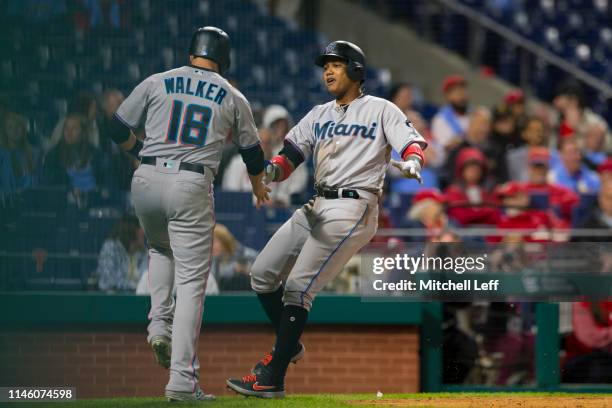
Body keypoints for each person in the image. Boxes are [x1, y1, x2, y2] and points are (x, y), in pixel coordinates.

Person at [225, 40, 426, 398]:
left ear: (356, 70)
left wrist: (412, 162)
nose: (328, 71)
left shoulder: (381, 109)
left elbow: (409, 143)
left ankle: (273, 374)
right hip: (318, 203)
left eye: (336, 64)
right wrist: (269, 172)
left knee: (298, 289)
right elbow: (289, 156)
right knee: (261, 274)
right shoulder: (319, 114)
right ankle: (290, 345)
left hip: (354, 205)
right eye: (325, 66)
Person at [107, 27, 270, 402]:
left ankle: (158, 327)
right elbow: (252, 153)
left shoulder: (158, 80)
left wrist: (140, 152)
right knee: (193, 284)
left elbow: (116, 126)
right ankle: (182, 381)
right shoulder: (231, 94)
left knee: (160, 250)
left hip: (146, 178)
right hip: (191, 182)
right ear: (223, 57)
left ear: (191, 51)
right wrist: (259, 186)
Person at [222, 104, 308, 206]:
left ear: (272, 146)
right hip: (243, 211)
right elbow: (231, 195)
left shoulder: (278, 165)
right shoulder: (238, 163)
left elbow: (284, 198)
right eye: (260, 143)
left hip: (271, 213)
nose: (263, 148)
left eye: (267, 144)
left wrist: (275, 203)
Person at [40, 113, 104, 195]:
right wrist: (70, 190)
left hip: (94, 198)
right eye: (66, 128)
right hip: (66, 200)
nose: (69, 132)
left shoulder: (96, 153)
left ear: (84, 133)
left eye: (74, 128)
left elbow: (105, 181)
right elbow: (50, 184)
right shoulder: (53, 156)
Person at [444, 147, 500, 226]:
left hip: (488, 233)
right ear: (462, 170)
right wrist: (485, 212)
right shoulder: (453, 191)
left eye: (477, 169)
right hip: (464, 234)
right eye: (469, 168)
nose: (473, 171)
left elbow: (495, 217)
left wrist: (472, 214)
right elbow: (459, 217)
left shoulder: (490, 190)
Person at [96, 214, 148, 292]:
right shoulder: (110, 248)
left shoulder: (144, 252)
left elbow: (146, 280)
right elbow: (107, 281)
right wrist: (134, 286)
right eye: (141, 228)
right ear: (132, 230)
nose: (144, 232)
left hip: (139, 298)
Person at [211, 223, 259, 290]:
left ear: (224, 242)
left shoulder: (242, 253)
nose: (210, 246)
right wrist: (234, 268)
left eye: (214, 242)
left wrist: (247, 269)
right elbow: (211, 274)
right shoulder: (207, 258)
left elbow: (259, 264)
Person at [431, 74, 470, 151]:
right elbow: (444, 148)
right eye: (456, 91)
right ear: (447, 96)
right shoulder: (440, 119)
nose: (461, 94)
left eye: (463, 89)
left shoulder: (475, 115)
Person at [0, 112, 36, 191]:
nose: (14, 130)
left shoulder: (34, 153)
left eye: (18, 126)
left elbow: (39, 182)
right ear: (5, 131)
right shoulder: (1, 155)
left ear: (24, 129)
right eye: (10, 127)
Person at [506, 116, 549, 181]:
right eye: (532, 129)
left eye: (540, 130)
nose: (537, 133)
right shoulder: (513, 157)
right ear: (524, 133)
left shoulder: (552, 156)